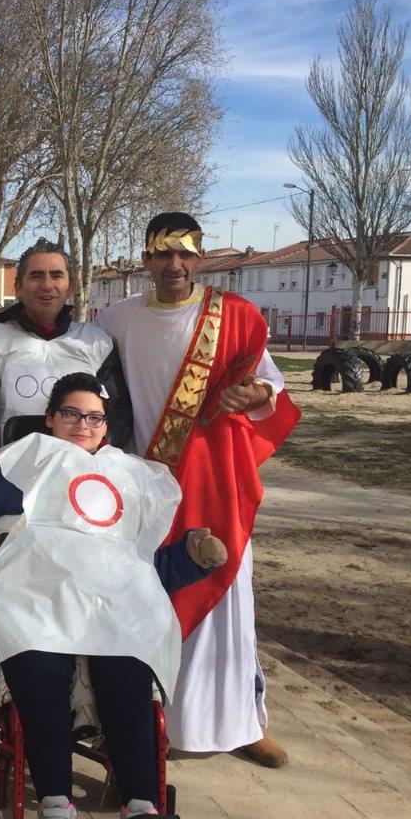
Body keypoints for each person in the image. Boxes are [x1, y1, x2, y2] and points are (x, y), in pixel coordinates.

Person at [0, 373, 226, 819]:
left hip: (114, 605)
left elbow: (144, 565)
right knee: (40, 669)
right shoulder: (23, 466)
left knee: (127, 675)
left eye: (94, 416)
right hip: (41, 596)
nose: (82, 425)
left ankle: (141, 813)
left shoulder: (132, 476)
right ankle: (55, 806)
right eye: (71, 413)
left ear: (106, 426)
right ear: (50, 417)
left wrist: (190, 557)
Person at [94, 213, 300, 767]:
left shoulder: (233, 317)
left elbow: (271, 386)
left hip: (215, 482)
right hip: (145, 484)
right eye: (163, 255)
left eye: (185, 254)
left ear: (200, 257)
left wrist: (254, 392)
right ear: (145, 260)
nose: (174, 266)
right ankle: (139, 725)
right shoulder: (117, 318)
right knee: (147, 601)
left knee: (228, 595)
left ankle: (240, 722)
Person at [0, 238, 130, 684]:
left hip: (78, 484)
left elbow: (116, 410)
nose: (47, 285)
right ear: (18, 286)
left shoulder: (95, 342)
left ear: (70, 284)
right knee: (4, 575)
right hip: (12, 476)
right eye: (36, 276)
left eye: (56, 275)